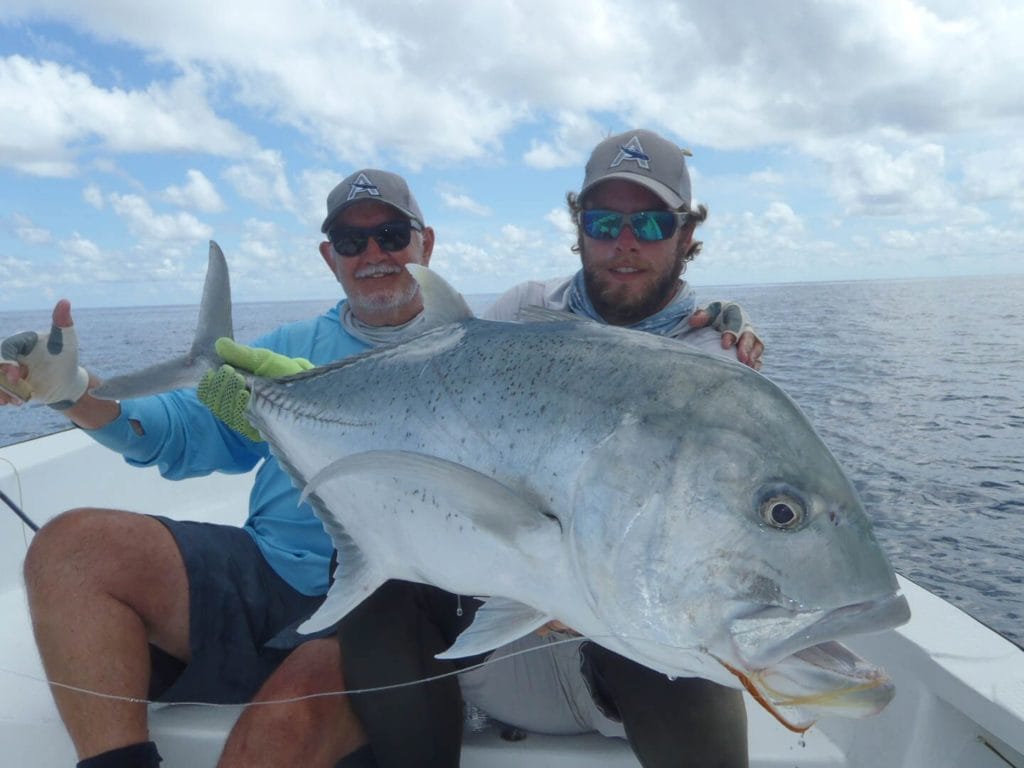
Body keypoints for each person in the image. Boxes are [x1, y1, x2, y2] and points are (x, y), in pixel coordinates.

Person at [334, 129, 757, 768]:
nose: (625, 243)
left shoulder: (717, 365)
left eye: (650, 222)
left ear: (686, 236)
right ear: (579, 227)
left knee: (679, 638)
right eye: (603, 221)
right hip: (496, 644)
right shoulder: (523, 313)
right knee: (386, 593)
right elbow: (446, 430)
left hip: (628, 670)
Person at [1, 168, 440, 768]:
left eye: (391, 234)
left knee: (288, 717)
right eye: (350, 242)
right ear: (327, 257)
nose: (372, 254)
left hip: (386, 600)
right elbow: (177, 428)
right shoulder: (288, 347)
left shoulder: (472, 348)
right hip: (269, 573)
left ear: (426, 244)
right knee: (70, 547)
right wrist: (70, 391)